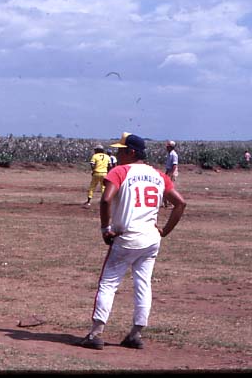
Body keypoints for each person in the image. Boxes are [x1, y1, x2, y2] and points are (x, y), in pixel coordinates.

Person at [80, 132, 186, 351]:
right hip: (151, 238)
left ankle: (96, 333)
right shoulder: (158, 175)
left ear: (131, 152)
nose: (117, 154)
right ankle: (136, 333)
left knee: (108, 284)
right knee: (143, 283)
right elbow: (180, 203)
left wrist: (105, 229)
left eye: (120, 150)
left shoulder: (120, 171)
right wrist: (164, 231)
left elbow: (106, 199)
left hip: (127, 237)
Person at [162, 140, 179, 207]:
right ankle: (166, 202)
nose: (166, 147)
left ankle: (171, 202)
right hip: (169, 171)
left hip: (171, 171)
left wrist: (171, 174)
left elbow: (174, 165)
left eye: (168, 146)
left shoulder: (173, 154)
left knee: (170, 187)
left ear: (171, 147)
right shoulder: (170, 154)